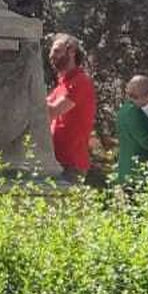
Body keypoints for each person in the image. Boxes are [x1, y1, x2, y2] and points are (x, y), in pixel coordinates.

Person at [46, 34, 96, 186]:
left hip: (71, 164)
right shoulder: (61, 86)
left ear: (72, 51)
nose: (51, 56)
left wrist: (30, 92)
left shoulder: (80, 82)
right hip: (55, 160)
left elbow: (52, 111)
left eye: (56, 51)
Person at [115, 74, 148, 187]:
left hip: (128, 168)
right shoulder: (134, 113)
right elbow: (144, 139)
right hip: (138, 171)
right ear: (147, 96)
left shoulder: (124, 110)